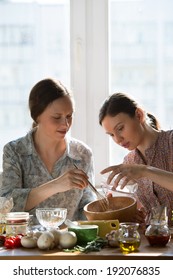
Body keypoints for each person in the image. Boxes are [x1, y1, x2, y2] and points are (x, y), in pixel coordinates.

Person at [0, 78, 96, 224]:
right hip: (25, 244)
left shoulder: (82, 154)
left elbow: (87, 209)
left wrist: (103, 209)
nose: (66, 124)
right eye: (57, 117)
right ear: (37, 116)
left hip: (70, 243)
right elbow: (6, 207)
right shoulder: (15, 151)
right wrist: (56, 185)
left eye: (70, 116)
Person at [99, 92, 173, 226]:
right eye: (111, 135)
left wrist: (146, 171)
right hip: (154, 243)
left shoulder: (170, 142)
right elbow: (145, 215)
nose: (117, 139)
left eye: (120, 128)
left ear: (139, 115)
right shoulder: (129, 162)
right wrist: (134, 215)